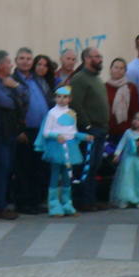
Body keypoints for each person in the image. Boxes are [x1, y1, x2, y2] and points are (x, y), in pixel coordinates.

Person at [0, 50, 25, 220]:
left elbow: (25, 95)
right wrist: (15, 95)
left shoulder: (11, 80)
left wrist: (15, 87)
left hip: (11, 128)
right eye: (9, 62)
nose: (11, 65)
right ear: (0, 65)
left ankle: (6, 202)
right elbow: (4, 102)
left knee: (9, 167)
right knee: (2, 166)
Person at [36, 86, 87, 217]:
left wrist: (83, 136)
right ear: (55, 98)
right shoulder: (52, 113)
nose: (61, 100)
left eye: (65, 97)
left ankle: (67, 203)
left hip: (70, 147)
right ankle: (53, 204)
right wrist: (56, 136)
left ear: (70, 99)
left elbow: (73, 131)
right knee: (55, 174)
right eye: (59, 96)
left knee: (67, 175)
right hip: (57, 147)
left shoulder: (72, 113)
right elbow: (46, 132)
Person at [69, 47, 108, 210]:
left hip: (101, 129)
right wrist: (87, 125)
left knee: (95, 166)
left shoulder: (96, 79)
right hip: (89, 131)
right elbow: (76, 103)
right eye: (95, 56)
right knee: (86, 166)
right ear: (86, 59)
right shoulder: (79, 79)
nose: (99, 59)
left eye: (100, 56)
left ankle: (91, 199)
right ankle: (83, 201)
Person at [13, 48, 52, 214]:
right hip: (24, 131)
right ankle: (24, 203)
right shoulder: (12, 80)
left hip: (41, 131)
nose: (25, 61)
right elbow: (11, 108)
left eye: (29, 58)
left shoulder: (38, 79)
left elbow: (48, 99)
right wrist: (17, 130)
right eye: (22, 58)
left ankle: (36, 201)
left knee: (39, 167)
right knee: (24, 168)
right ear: (16, 60)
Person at [110, 111, 139, 209]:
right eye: (135, 119)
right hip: (129, 160)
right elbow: (121, 143)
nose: (136, 121)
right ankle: (126, 199)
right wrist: (117, 154)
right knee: (127, 179)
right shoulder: (128, 132)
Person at [105, 57, 139, 142]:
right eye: (116, 67)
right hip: (108, 131)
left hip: (126, 131)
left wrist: (135, 129)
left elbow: (135, 110)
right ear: (110, 69)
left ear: (125, 71)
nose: (118, 70)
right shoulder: (104, 87)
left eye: (121, 68)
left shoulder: (131, 88)